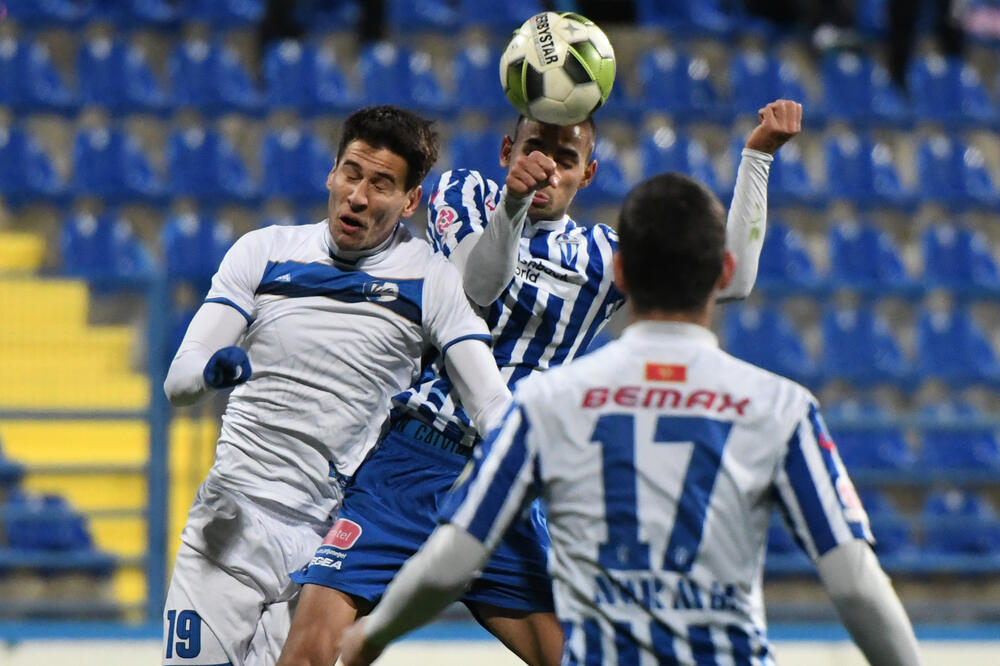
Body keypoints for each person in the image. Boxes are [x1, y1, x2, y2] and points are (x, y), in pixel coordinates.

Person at [279, 100, 801, 666]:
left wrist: (758, 158)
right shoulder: (467, 195)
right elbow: (475, 288)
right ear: (508, 151)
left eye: (566, 158)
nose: (548, 166)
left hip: (510, 479)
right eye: (535, 149)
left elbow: (732, 278)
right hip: (410, 462)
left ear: (587, 174)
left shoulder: (600, 258)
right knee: (311, 651)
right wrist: (513, 203)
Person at [338, 171, 924, 666]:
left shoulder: (548, 405)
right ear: (723, 273)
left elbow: (452, 561)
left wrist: (375, 633)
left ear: (618, 273)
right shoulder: (781, 408)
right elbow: (854, 585)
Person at [161, 105, 513, 666]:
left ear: (410, 201)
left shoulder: (432, 281)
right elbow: (180, 379)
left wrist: (530, 461)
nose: (359, 196)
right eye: (351, 173)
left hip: (326, 544)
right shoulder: (264, 251)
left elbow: (491, 401)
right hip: (229, 521)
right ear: (331, 172)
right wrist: (211, 373)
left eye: (382, 184)